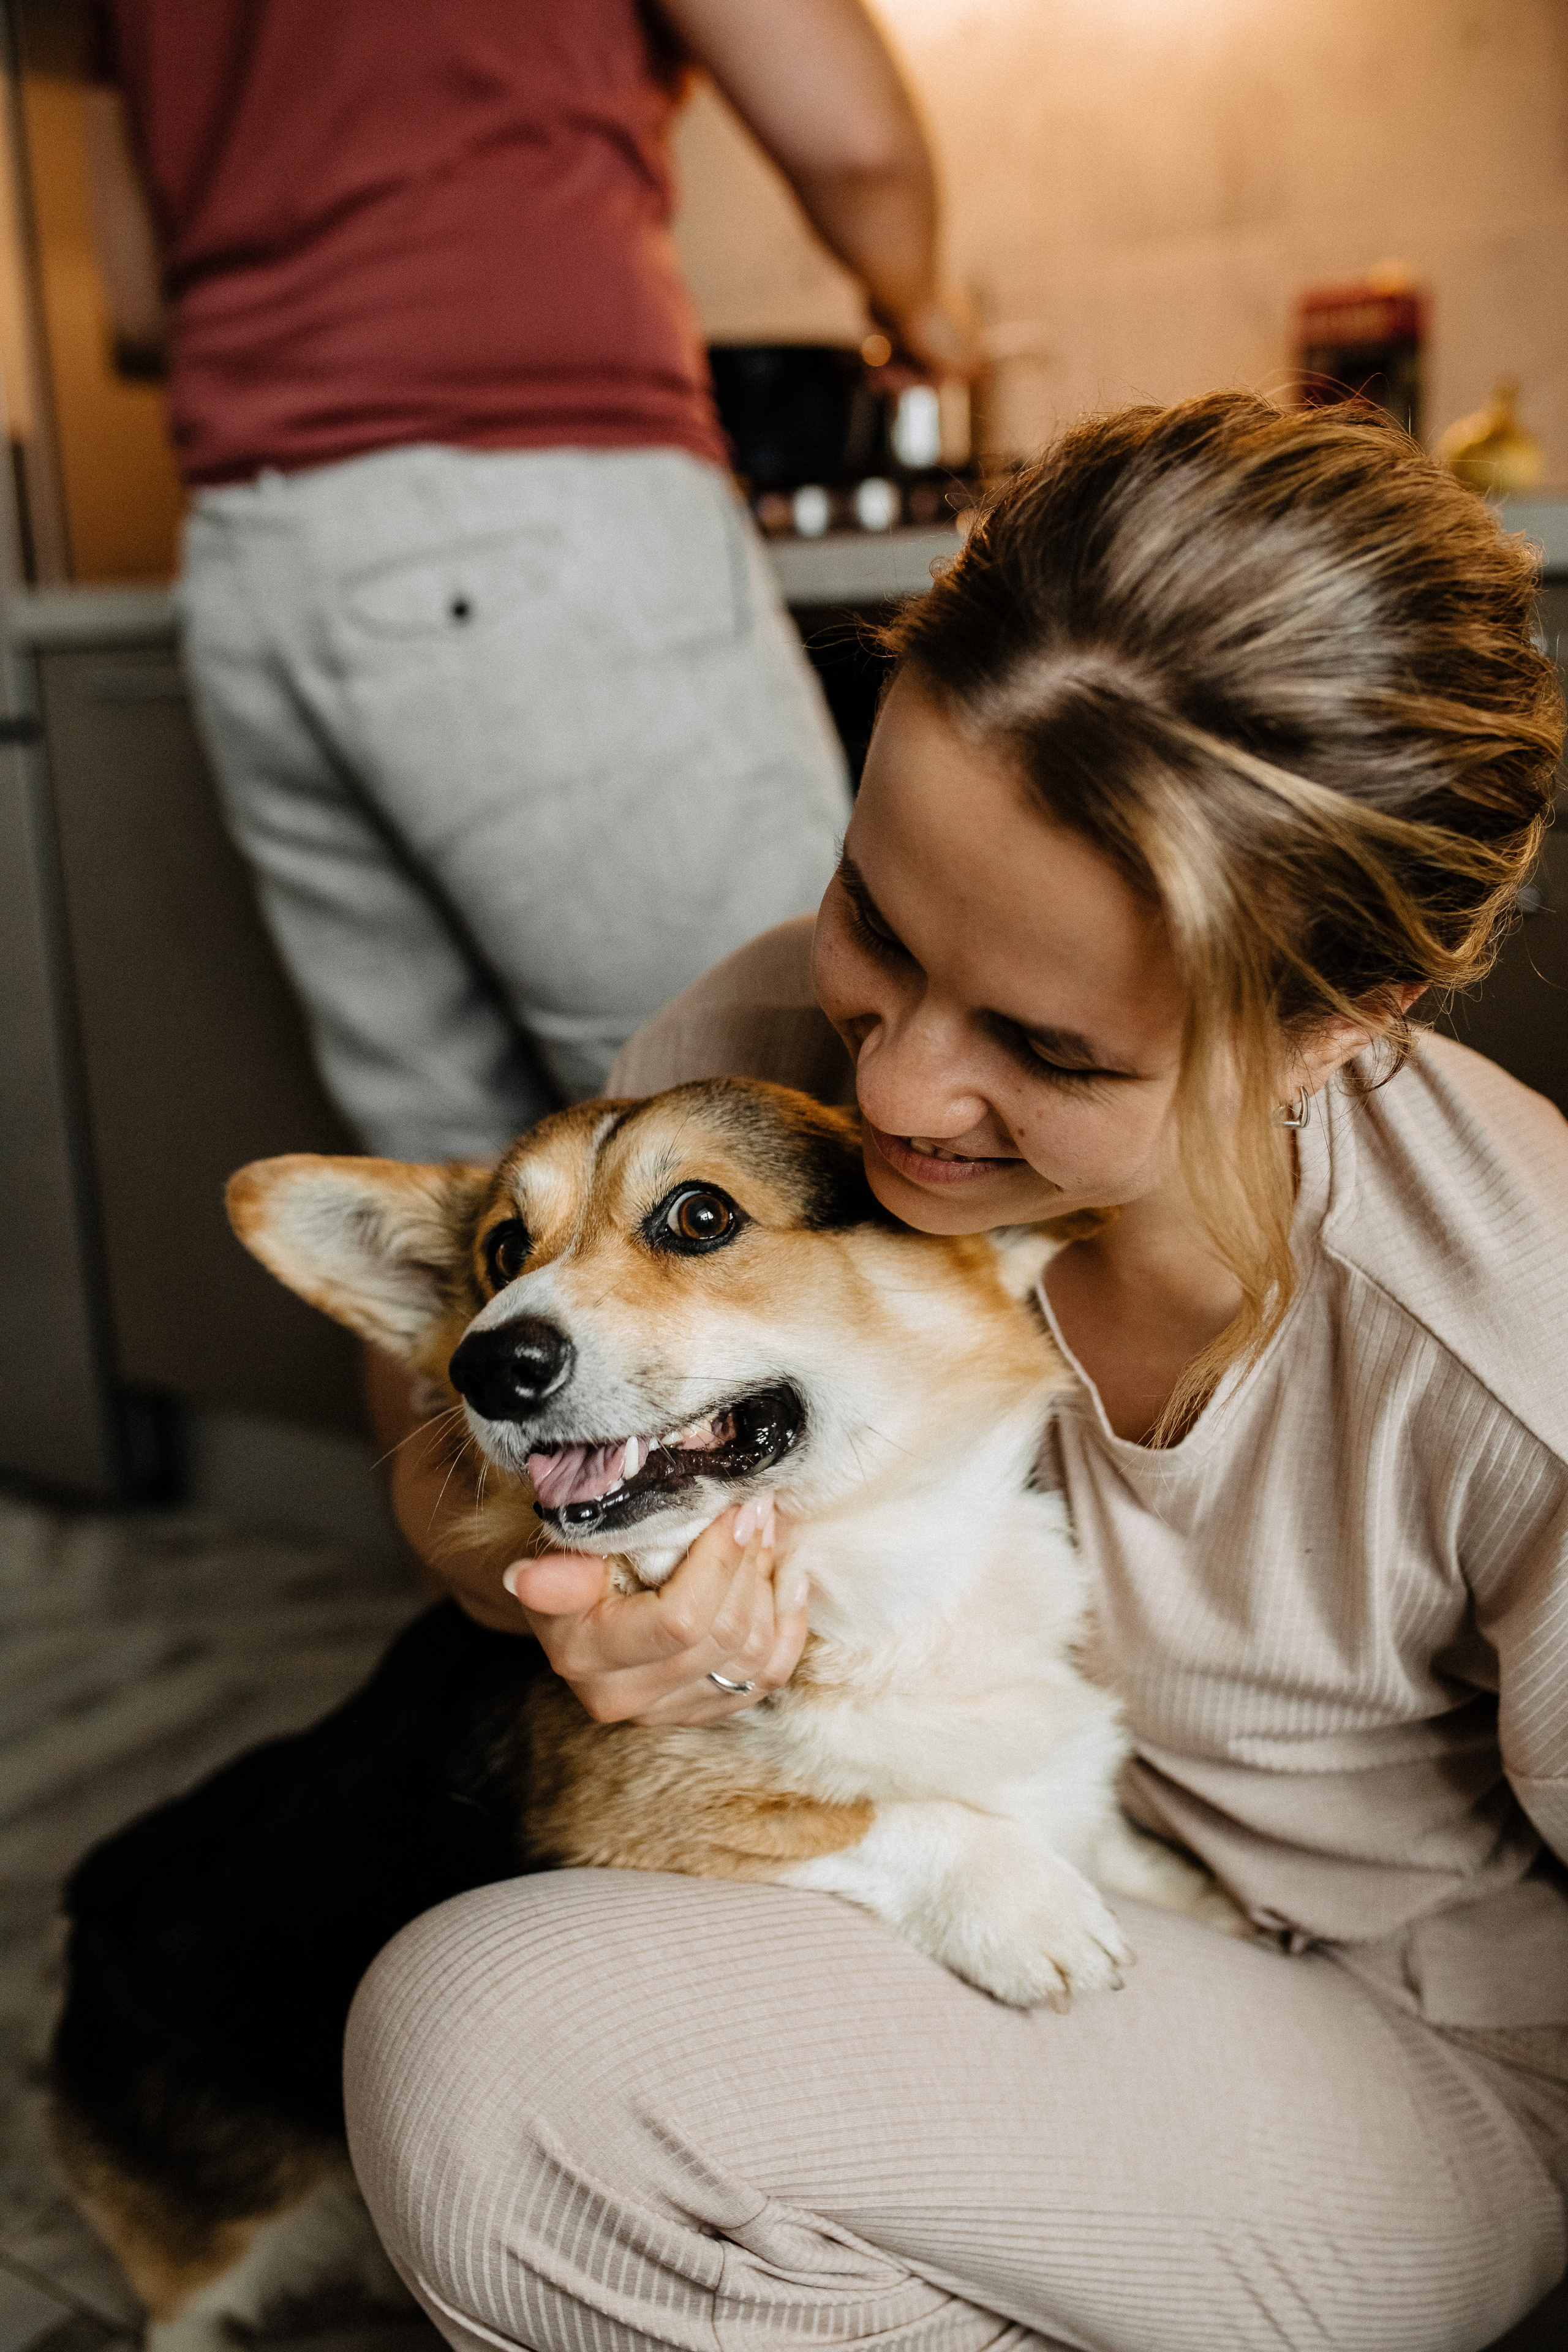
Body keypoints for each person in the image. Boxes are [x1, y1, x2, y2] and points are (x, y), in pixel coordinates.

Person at [347, 393, 1568, 2351]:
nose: (900, 1089)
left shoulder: (1517, 1329)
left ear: (1342, 1025)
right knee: (492, 2061)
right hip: (1006, 1871)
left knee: (497, 2058)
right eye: (880, 920)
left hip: (1398, 2026)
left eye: (1053, 1049)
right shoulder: (758, 1052)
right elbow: (458, 1430)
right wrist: (546, 1582)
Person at [82, 0, 976, 1161]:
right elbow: (856, 142)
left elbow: (136, 304)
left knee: (457, 1200)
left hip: (252, 556)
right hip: (526, 520)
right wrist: (920, 307)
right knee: (788, 1120)